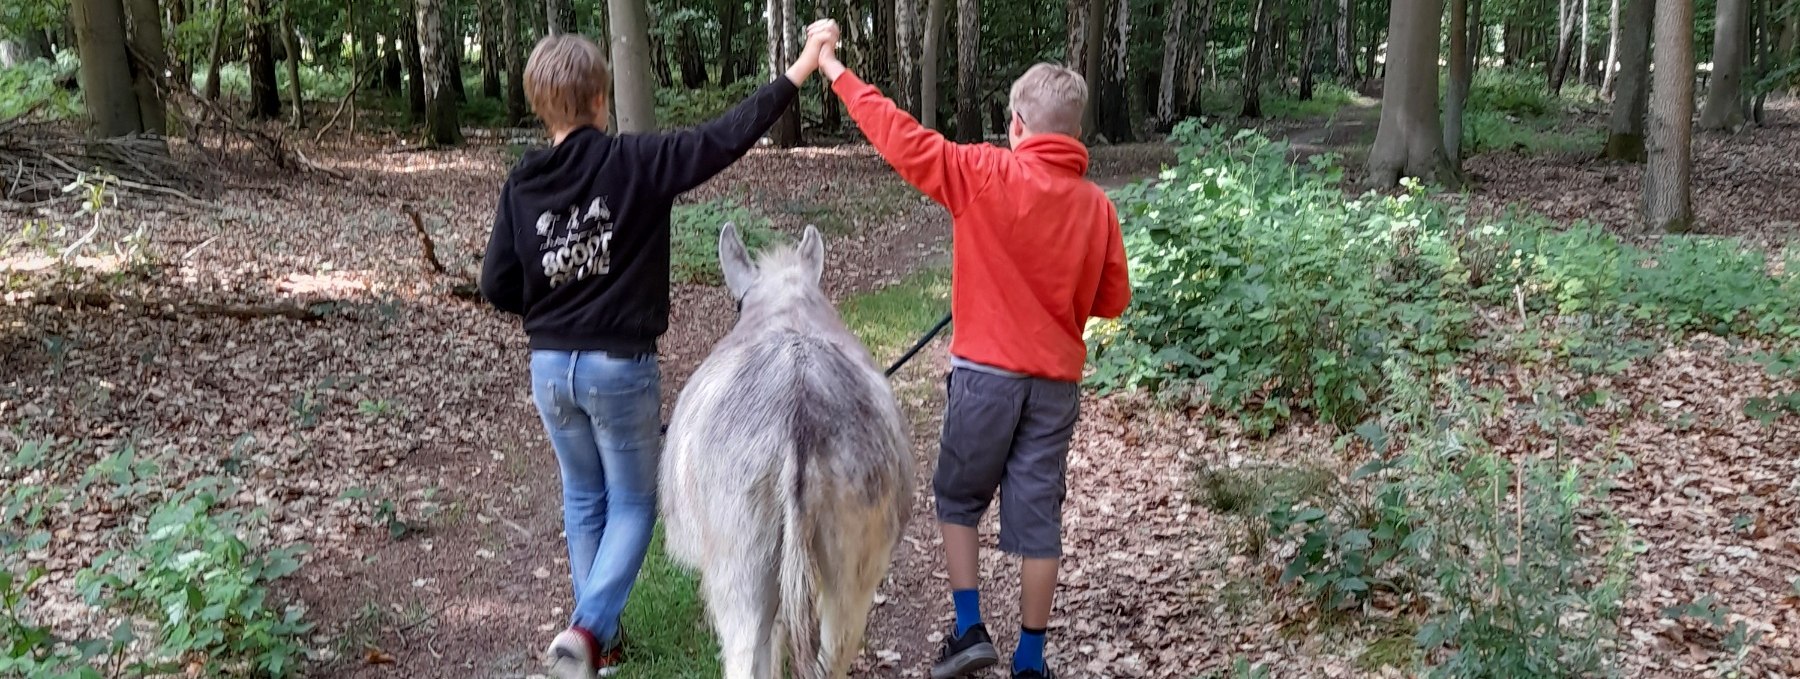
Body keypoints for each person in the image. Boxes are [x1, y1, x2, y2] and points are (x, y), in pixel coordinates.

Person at [478, 25, 837, 679]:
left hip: (551, 369)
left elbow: (495, 283)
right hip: (619, 368)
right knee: (636, 503)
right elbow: (727, 136)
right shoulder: (637, 162)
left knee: (584, 497)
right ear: (598, 100)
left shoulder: (523, 182)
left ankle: (601, 647)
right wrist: (800, 69)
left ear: (541, 104)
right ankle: (588, 631)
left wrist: (553, 304)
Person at [808, 22, 1131, 679]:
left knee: (958, 498)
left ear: (1015, 125)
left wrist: (836, 71)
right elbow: (1111, 300)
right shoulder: (1097, 206)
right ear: (1074, 136)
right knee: (1038, 519)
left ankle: (968, 627)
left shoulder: (982, 171)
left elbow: (900, 136)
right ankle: (1032, 657)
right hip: (1055, 389)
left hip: (985, 378)